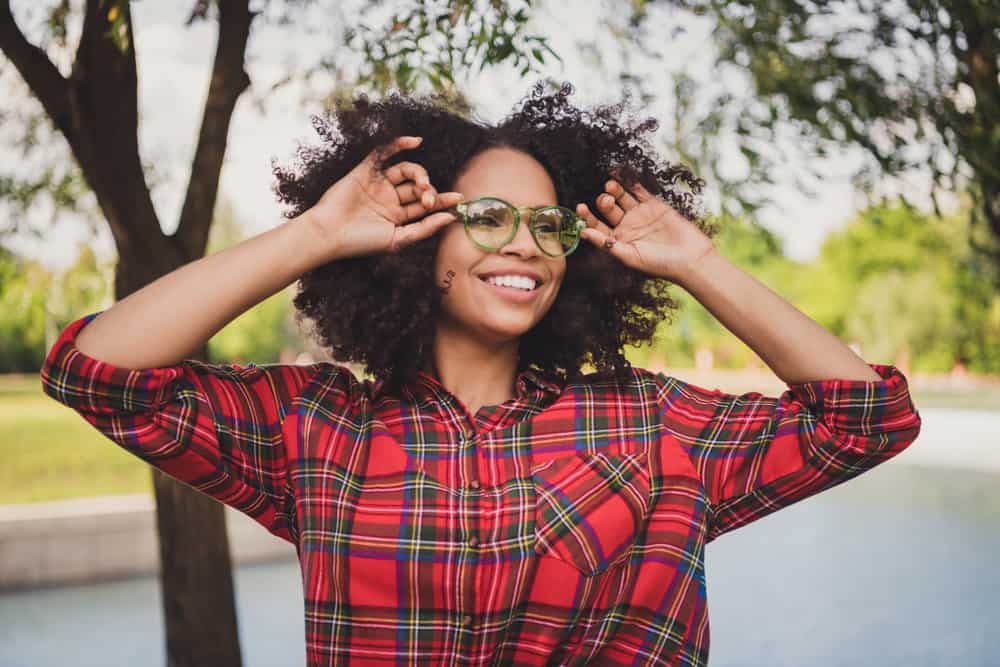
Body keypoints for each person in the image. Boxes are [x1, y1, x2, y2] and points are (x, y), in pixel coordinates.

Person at [40, 81, 922, 666]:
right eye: (491, 216)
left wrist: (697, 263)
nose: (526, 244)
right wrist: (313, 234)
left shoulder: (653, 428)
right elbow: (96, 371)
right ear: (425, 242)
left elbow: (866, 420)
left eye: (550, 225)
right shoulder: (317, 430)